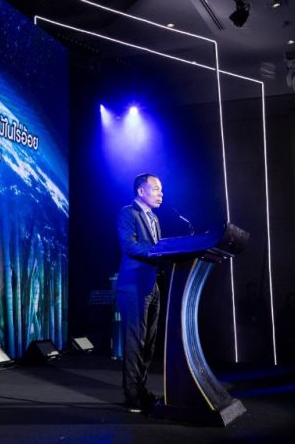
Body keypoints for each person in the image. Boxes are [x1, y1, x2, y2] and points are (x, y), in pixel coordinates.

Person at [116, 173, 164, 413]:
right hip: (133, 286)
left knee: (148, 343)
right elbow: (130, 245)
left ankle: (141, 390)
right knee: (135, 343)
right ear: (141, 191)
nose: (161, 194)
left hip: (152, 286)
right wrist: (159, 252)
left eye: (161, 190)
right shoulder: (128, 213)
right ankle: (132, 396)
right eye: (155, 189)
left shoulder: (154, 218)